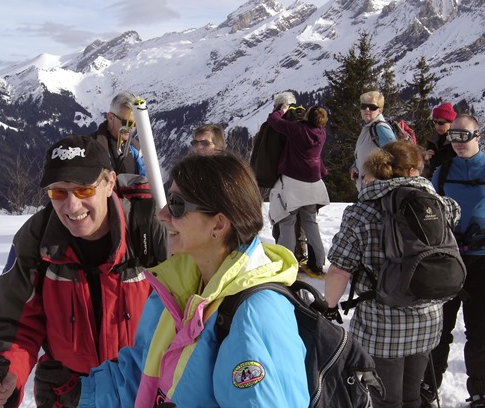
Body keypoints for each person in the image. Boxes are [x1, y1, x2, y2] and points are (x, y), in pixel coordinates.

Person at [38, 152, 309, 407]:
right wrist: (82, 393)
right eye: (169, 200)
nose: (163, 215)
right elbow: (147, 369)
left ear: (218, 224)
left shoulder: (254, 317)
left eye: (178, 206)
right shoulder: (179, 288)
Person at [0, 135, 167, 408]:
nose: (71, 205)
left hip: (142, 389)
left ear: (109, 182)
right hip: (68, 393)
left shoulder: (148, 232)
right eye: (58, 192)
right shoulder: (38, 240)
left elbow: (185, 322)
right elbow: (12, 323)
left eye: (84, 190)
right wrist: (5, 371)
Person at [325, 141, 460, 408]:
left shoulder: (362, 212)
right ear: (412, 170)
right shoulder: (438, 205)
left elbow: (340, 268)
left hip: (381, 327)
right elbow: (456, 211)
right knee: (411, 397)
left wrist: (329, 307)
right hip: (428, 320)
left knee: (385, 400)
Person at [421, 114, 485, 408]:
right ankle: (429, 386)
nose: (458, 142)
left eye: (464, 135)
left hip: (481, 260)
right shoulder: (443, 170)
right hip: (448, 260)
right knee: (440, 330)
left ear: (478, 136)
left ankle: (479, 393)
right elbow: (431, 213)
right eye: (453, 136)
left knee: (478, 331)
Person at [267, 105, 330, 276]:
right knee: (311, 223)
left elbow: (273, 121)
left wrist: (282, 109)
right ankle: (318, 263)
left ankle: (286, 264)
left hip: (293, 184)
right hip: (315, 184)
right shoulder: (321, 133)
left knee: (287, 223)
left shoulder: (298, 130)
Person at [250, 91, 299, 201]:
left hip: (273, 176)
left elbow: (258, 143)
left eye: (274, 106)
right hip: (303, 176)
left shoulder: (273, 124)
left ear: (280, 106)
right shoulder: (302, 122)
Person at [91, 91, 146, 176]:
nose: (131, 128)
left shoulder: (136, 148)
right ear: (110, 117)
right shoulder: (91, 146)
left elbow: (146, 180)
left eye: (136, 123)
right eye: (125, 122)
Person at [351, 90, 396, 192]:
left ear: (380, 110)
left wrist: (375, 173)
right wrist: (355, 166)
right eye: (364, 106)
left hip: (379, 188)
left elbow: (394, 155)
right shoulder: (368, 127)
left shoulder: (380, 128)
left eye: (372, 107)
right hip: (369, 187)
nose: (367, 109)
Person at [423, 102, 457, 178]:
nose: (437, 126)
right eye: (435, 122)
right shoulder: (432, 141)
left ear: (450, 123)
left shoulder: (456, 142)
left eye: (441, 123)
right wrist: (425, 159)